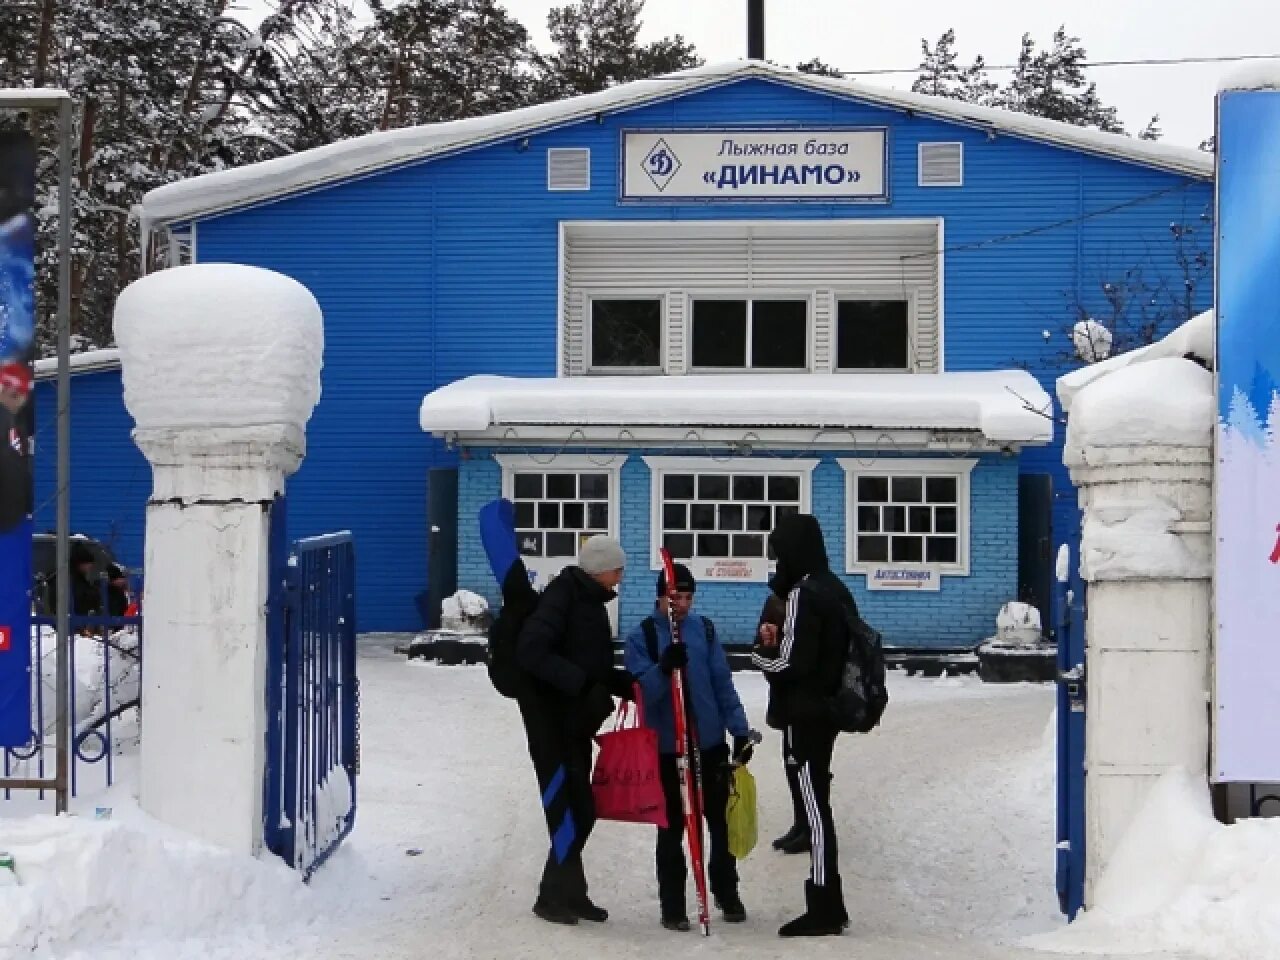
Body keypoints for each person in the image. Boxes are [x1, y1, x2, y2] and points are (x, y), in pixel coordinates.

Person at [624, 562, 756, 932]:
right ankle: (673, 905)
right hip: (667, 748)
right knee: (672, 829)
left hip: (708, 743)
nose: (680, 604)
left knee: (719, 821)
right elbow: (639, 693)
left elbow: (721, 684)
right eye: (673, 596)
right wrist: (662, 669)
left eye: (686, 597)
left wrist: (739, 729)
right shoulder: (644, 636)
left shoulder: (705, 631)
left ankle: (726, 891)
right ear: (660, 596)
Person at [515, 534, 636, 926]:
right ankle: (551, 897)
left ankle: (571, 894)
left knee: (580, 810)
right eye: (617, 569)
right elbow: (532, 651)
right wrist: (581, 683)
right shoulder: (562, 596)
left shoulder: (587, 599)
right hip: (554, 724)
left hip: (576, 724)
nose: (620, 576)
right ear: (600, 569)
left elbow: (586, 658)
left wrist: (619, 683)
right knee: (574, 812)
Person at [751, 513, 854, 937]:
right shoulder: (834, 588)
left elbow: (792, 662)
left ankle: (826, 906)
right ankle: (828, 902)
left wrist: (759, 655)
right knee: (817, 804)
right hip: (826, 710)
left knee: (814, 809)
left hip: (805, 714)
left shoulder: (804, 594)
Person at [758, 587, 811, 855]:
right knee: (791, 762)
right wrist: (766, 646)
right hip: (785, 695)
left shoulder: (813, 599)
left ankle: (812, 825)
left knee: (807, 765)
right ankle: (801, 822)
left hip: (810, 698)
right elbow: (762, 643)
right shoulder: (776, 602)